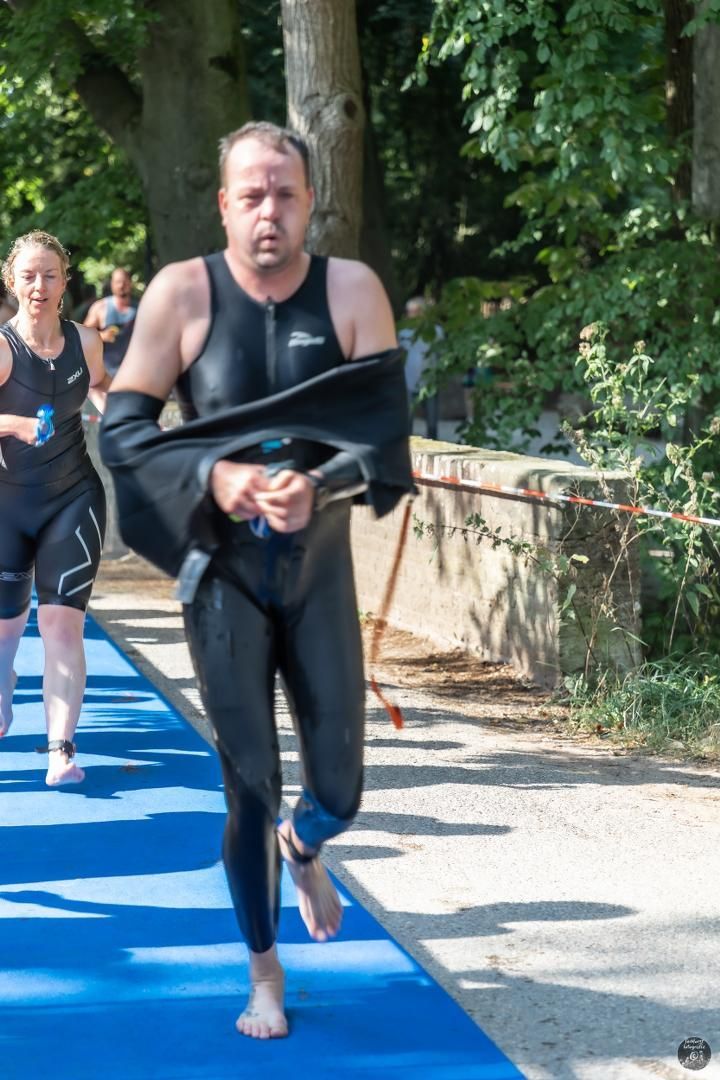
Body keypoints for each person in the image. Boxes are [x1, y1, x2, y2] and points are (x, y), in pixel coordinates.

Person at [100, 121, 413, 1040]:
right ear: (224, 204)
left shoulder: (353, 292)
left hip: (317, 574)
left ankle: (307, 846)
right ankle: (264, 972)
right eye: (250, 195)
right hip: (223, 580)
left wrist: (319, 482)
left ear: (311, 199)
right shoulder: (181, 295)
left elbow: (385, 447)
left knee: (340, 791)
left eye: (284, 193)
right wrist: (216, 478)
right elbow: (124, 434)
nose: (267, 211)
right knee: (251, 788)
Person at [0, 231, 111, 785]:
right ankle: (3, 685)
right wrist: (14, 424)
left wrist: (129, 418)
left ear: (65, 281)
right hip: (7, 505)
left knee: (62, 623)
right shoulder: (1, 349)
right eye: (28, 276)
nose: (39, 286)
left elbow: (104, 389)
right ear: (12, 282)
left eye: (49, 275)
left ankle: (60, 748)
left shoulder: (86, 342)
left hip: (73, 497)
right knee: (5, 624)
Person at [398, 295, 441, 439]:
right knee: (407, 421)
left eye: (414, 311)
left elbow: (442, 355)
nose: (410, 314)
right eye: (408, 311)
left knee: (432, 422)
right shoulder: (403, 333)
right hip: (408, 381)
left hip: (429, 383)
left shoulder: (436, 332)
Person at [83, 266, 137, 377]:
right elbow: (83, 335)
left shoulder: (140, 308)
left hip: (133, 372)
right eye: (117, 282)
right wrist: (101, 335)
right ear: (112, 284)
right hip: (106, 373)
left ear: (130, 283)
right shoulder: (101, 307)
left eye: (124, 282)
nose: (121, 286)